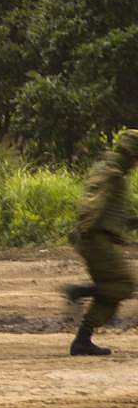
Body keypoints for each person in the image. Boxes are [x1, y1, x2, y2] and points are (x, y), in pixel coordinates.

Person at [61, 128, 138, 356]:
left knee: (114, 289)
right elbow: (94, 203)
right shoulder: (113, 173)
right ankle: (79, 291)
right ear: (131, 153)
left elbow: (110, 214)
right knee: (122, 286)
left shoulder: (109, 170)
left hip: (96, 237)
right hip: (95, 239)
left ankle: (82, 341)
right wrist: (83, 228)